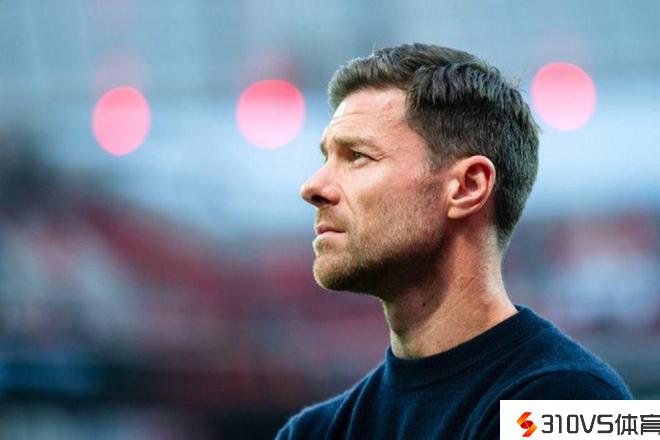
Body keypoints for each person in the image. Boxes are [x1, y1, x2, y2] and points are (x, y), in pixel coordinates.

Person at [276, 43, 631, 439]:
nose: (313, 186)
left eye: (357, 156)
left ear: (467, 187)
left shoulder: (573, 407)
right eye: (326, 158)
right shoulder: (310, 432)